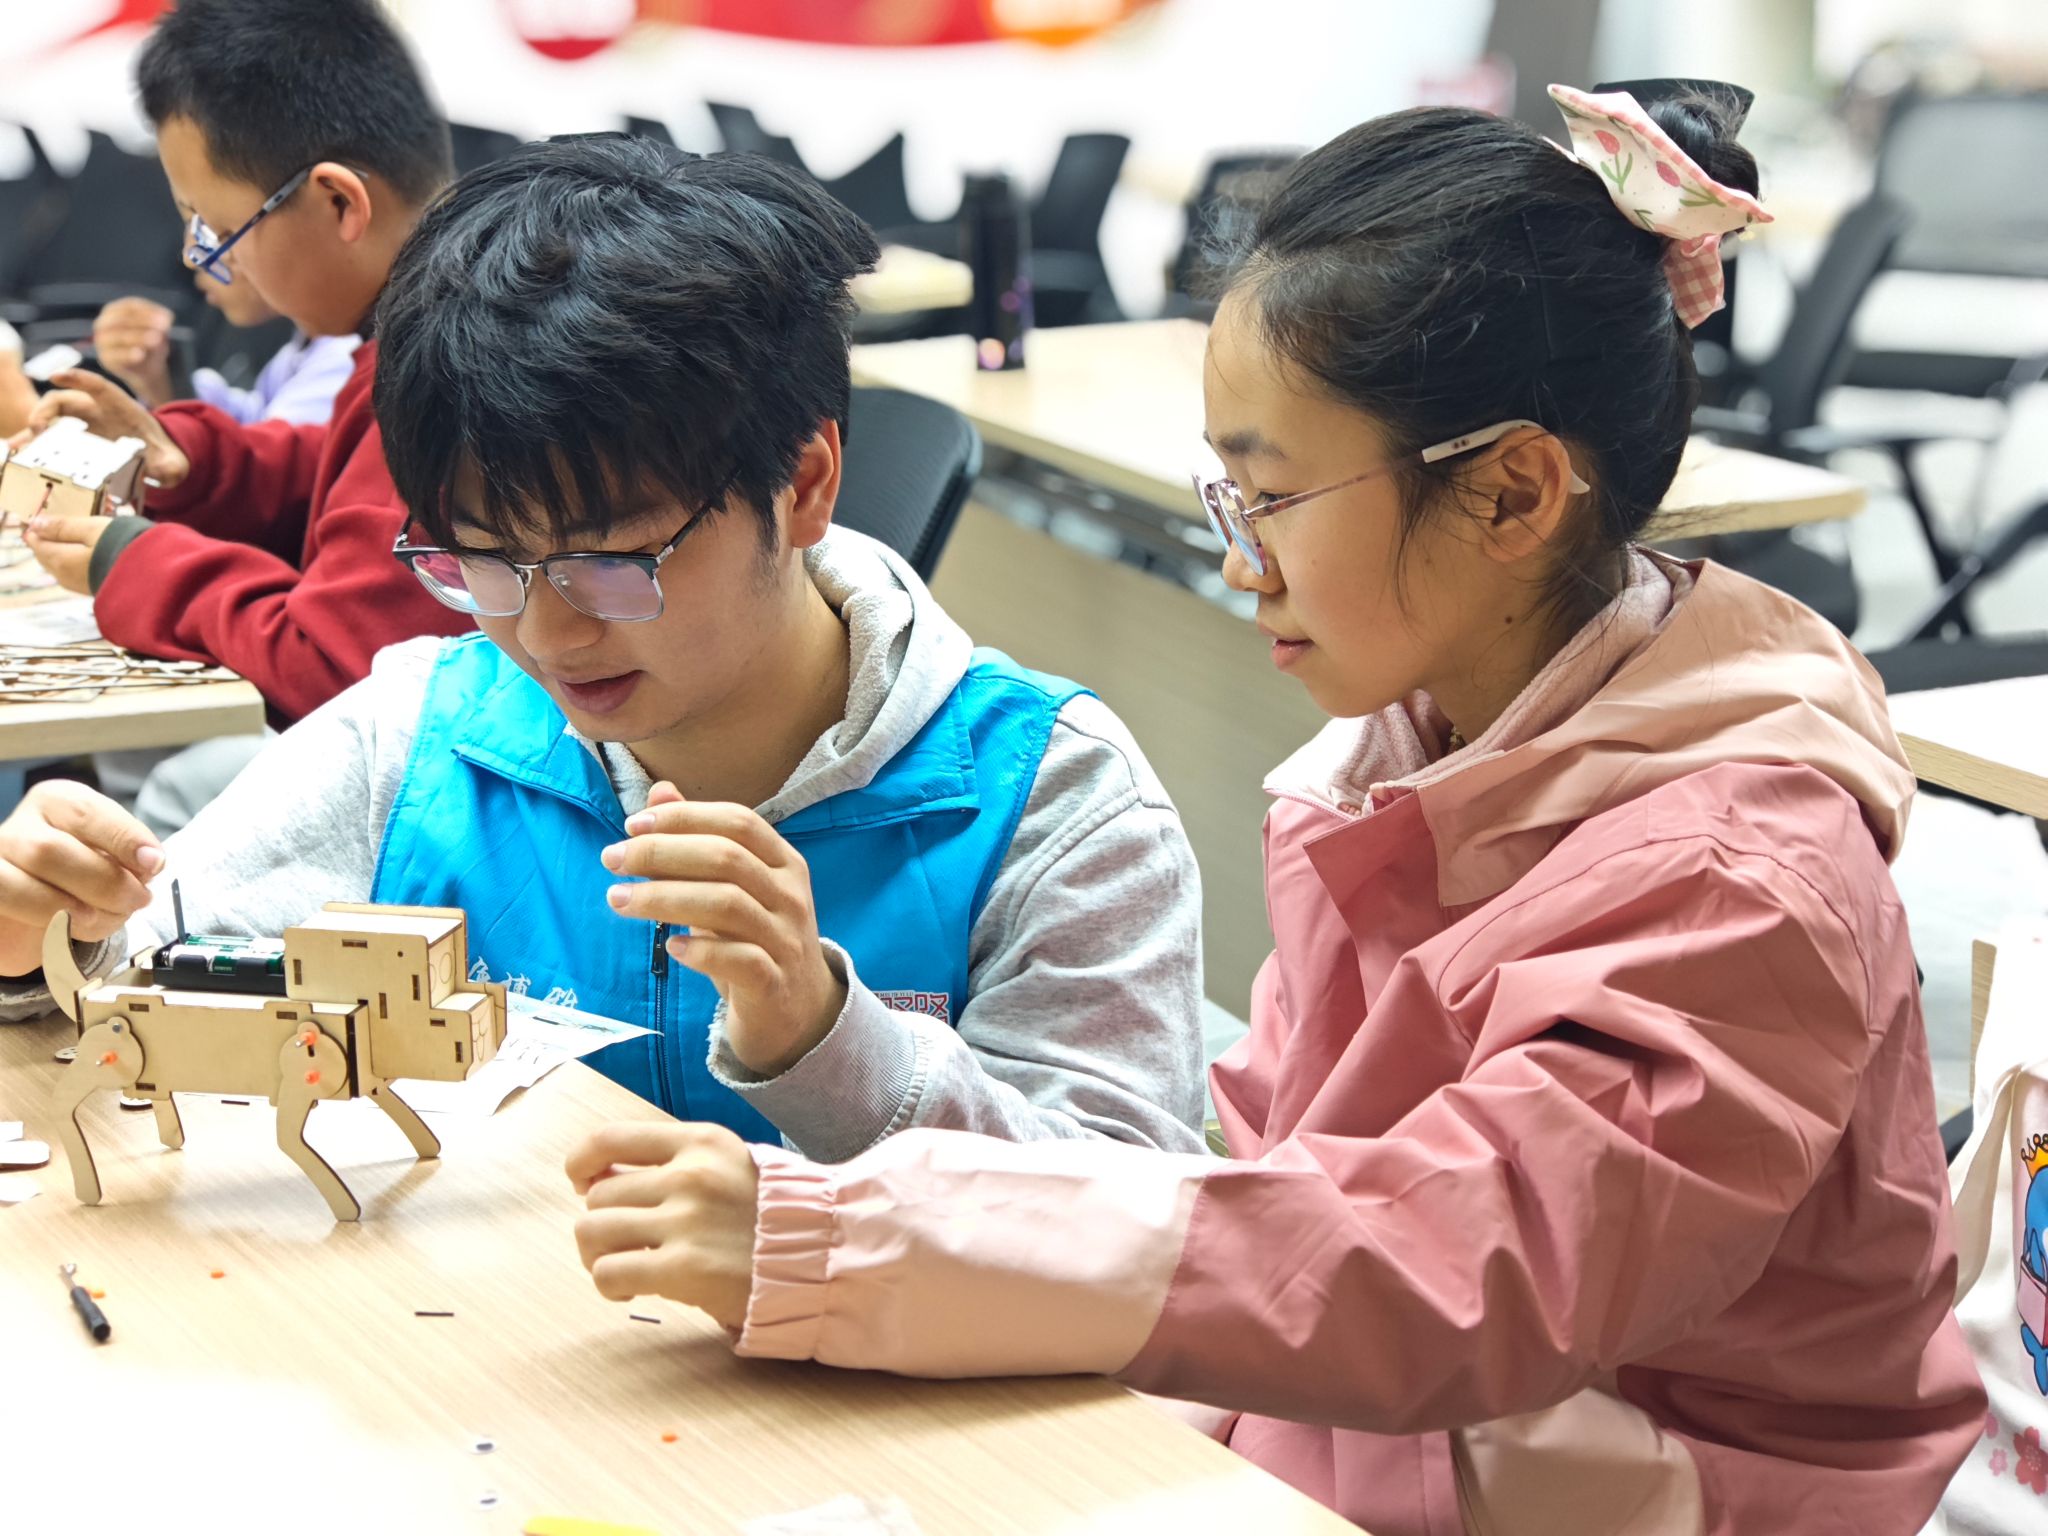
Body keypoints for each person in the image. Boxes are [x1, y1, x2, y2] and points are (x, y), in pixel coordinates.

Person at [557, 88, 1987, 1534]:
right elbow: (1267, 1184)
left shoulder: (1739, 881)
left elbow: (1441, 1274)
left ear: (1512, 496)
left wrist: (856, 1244)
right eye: (1224, 493)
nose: (1239, 563)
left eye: (1271, 498)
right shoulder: (1406, 750)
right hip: (1406, 1428)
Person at [0, 133, 1205, 1162]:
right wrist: (43, 937)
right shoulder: (426, 735)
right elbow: (125, 987)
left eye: (611, 562)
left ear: (802, 484)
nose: (545, 633)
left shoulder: (1046, 800)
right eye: (480, 561)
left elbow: (1137, 1233)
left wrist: (826, 1037)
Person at [8, 0, 471, 730]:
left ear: (337, 202)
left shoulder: (445, 374)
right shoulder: (420, 328)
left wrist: (140, 563)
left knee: (173, 779)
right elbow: (335, 474)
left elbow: (334, 668)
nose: (204, 258)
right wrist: (193, 461)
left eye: (220, 230)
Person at [92, 270, 359, 428]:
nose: (191, 258)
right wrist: (159, 378)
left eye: (223, 230)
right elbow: (255, 421)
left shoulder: (346, 358)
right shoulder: (306, 344)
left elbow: (261, 469)